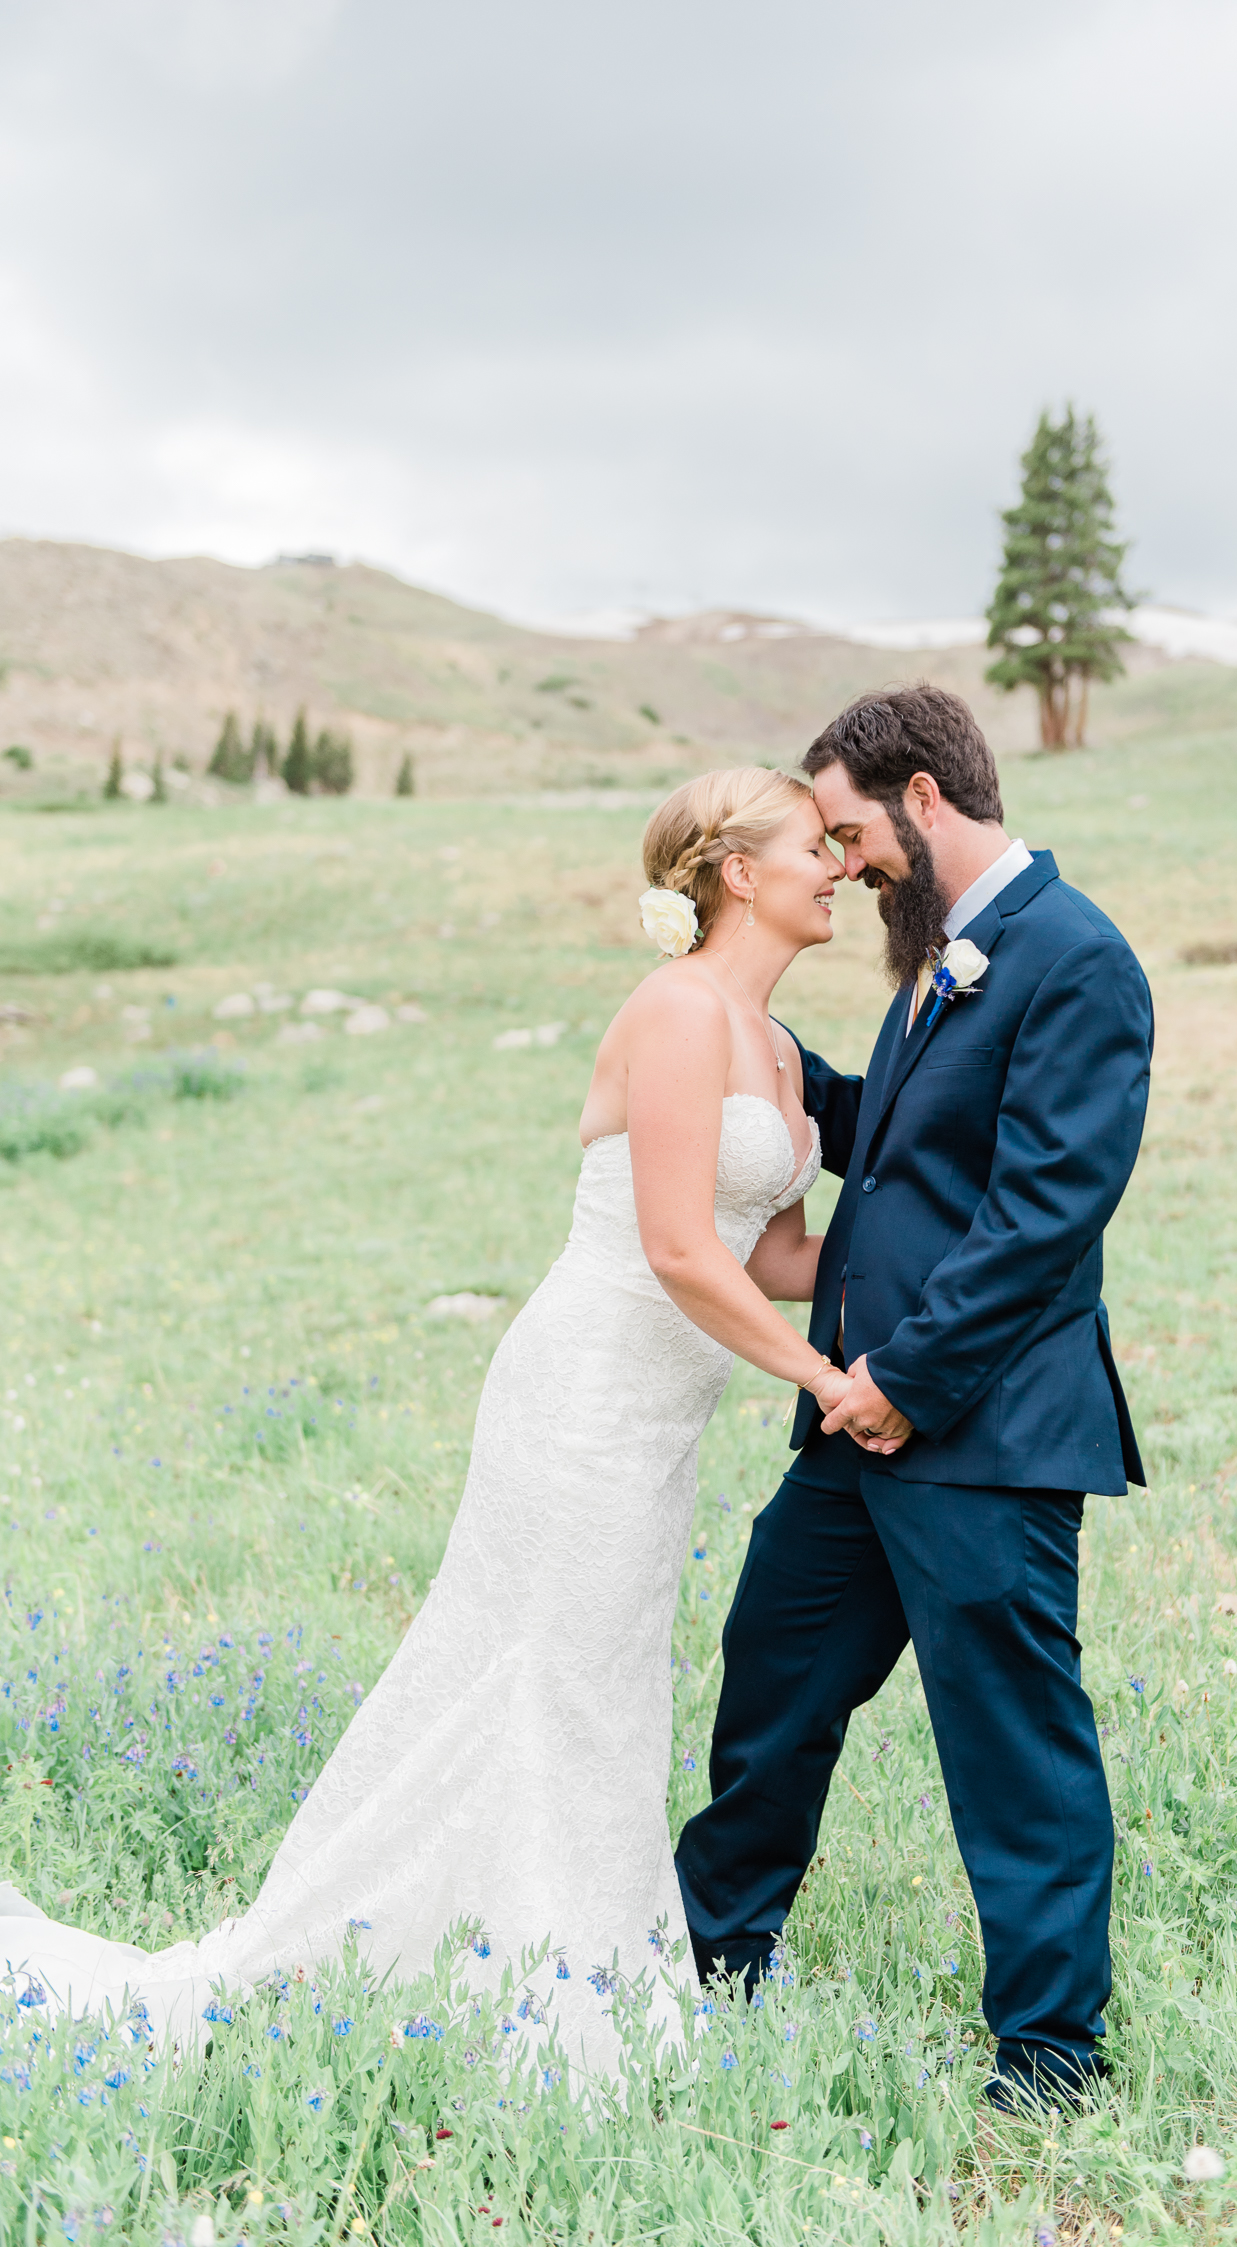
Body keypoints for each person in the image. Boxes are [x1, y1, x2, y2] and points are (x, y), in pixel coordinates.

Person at [0, 766, 860, 2078]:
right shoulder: (677, 1012)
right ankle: (532, 2013)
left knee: (607, 1685)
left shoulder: (785, 1052)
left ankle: (560, 1976)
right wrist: (823, 1379)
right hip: (579, 1401)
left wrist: (934, 1252)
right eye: (815, 845)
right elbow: (686, 1251)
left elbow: (778, 1251)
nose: (840, 866)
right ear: (739, 871)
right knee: (546, 1677)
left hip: (659, 1420)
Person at [674, 685, 1154, 2108]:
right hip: (852, 1436)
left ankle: (1053, 2055)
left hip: (979, 1435)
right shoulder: (945, 957)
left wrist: (906, 1380)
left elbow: (1046, 1210)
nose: (845, 861)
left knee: (1013, 1742)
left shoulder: (1076, 959)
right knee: (770, 1688)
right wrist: (737, 1038)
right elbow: (895, 1151)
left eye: (850, 830)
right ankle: (710, 1964)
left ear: (924, 799)